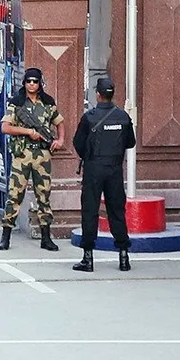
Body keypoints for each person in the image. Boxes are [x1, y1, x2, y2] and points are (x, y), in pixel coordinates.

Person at [71, 76, 136, 273]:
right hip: (114, 169)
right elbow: (130, 143)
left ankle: (88, 258)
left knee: (90, 211)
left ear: (98, 95)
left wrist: (89, 156)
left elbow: (78, 143)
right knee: (117, 211)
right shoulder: (123, 117)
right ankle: (124, 256)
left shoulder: (89, 117)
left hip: (93, 169)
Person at [0, 68, 64, 252]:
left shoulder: (48, 103)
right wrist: (28, 132)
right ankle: (6, 235)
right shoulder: (17, 103)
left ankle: (46, 236)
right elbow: (5, 127)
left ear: (40, 83)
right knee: (14, 195)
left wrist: (60, 140)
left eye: (35, 81)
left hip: (42, 156)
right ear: (24, 83)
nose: (32, 84)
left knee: (44, 196)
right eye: (28, 81)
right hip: (23, 155)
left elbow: (59, 122)